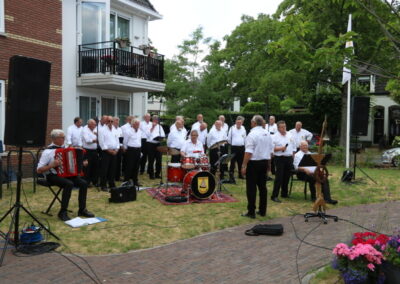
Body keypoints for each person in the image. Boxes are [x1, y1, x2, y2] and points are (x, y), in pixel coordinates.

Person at [37, 129, 94, 221]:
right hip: (52, 176)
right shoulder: (47, 152)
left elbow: (74, 162)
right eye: (62, 137)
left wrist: (82, 163)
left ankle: (82, 209)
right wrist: (51, 165)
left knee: (83, 183)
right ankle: (62, 212)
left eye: (64, 137)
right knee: (69, 184)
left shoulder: (68, 149)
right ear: (54, 139)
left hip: (67, 175)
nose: (64, 139)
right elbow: (39, 170)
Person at [240, 115, 273, 219]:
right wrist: (269, 164)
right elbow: (271, 151)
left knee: (251, 188)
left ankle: (251, 211)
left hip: (254, 163)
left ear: (254, 123)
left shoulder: (252, 134)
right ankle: (263, 211)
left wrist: (244, 165)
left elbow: (248, 152)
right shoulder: (267, 133)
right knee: (263, 187)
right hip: (264, 162)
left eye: (251, 121)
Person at [271, 120, 296, 203]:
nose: (284, 128)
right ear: (278, 128)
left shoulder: (290, 134)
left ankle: (284, 193)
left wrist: (293, 155)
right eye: (282, 127)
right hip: (279, 158)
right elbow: (272, 148)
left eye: (285, 126)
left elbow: (293, 146)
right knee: (279, 177)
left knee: (287, 176)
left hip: (289, 158)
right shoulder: (274, 136)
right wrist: (281, 148)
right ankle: (274, 195)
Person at [98, 116, 120, 191]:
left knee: (112, 169)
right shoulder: (102, 130)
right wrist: (109, 151)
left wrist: (116, 149)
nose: (110, 123)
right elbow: (101, 143)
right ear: (106, 122)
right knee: (105, 169)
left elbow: (117, 141)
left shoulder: (115, 130)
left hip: (114, 152)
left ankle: (111, 184)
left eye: (111, 121)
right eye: (108, 121)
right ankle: (103, 185)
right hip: (106, 152)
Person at [123, 118, 142, 186]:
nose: (138, 125)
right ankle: (126, 181)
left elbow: (139, 140)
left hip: (138, 149)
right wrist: (125, 149)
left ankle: (135, 180)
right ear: (133, 124)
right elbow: (125, 141)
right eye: (137, 124)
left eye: (138, 124)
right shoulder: (128, 131)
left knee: (136, 166)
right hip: (131, 150)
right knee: (129, 166)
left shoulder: (139, 131)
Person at [145, 115, 166, 179]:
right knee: (151, 160)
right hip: (150, 144)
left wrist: (161, 138)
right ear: (152, 120)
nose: (156, 121)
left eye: (157, 120)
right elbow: (147, 135)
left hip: (158, 144)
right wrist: (153, 127)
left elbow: (163, 135)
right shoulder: (148, 125)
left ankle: (157, 174)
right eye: (155, 120)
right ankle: (151, 174)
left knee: (159, 160)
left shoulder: (160, 126)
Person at [228, 116, 246, 182]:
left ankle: (240, 175)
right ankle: (231, 175)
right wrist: (233, 144)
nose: (239, 124)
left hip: (241, 147)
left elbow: (245, 138)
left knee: (240, 162)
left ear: (241, 123)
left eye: (240, 122)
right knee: (232, 162)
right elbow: (229, 138)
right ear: (236, 122)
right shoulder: (232, 128)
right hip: (234, 147)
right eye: (238, 122)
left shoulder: (243, 128)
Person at [81, 119, 99, 187]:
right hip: (87, 151)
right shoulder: (85, 130)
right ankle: (86, 182)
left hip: (94, 150)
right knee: (87, 167)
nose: (95, 125)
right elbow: (87, 140)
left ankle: (95, 181)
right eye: (94, 124)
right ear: (89, 124)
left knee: (95, 166)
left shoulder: (95, 130)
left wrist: (97, 139)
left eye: (95, 124)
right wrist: (96, 140)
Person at [113, 117, 123, 181]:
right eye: (116, 121)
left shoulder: (120, 129)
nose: (117, 122)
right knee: (113, 163)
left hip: (119, 148)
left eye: (118, 121)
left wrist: (121, 146)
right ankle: (112, 176)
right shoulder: (112, 129)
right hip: (113, 149)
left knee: (119, 163)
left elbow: (121, 138)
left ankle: (117, 177)